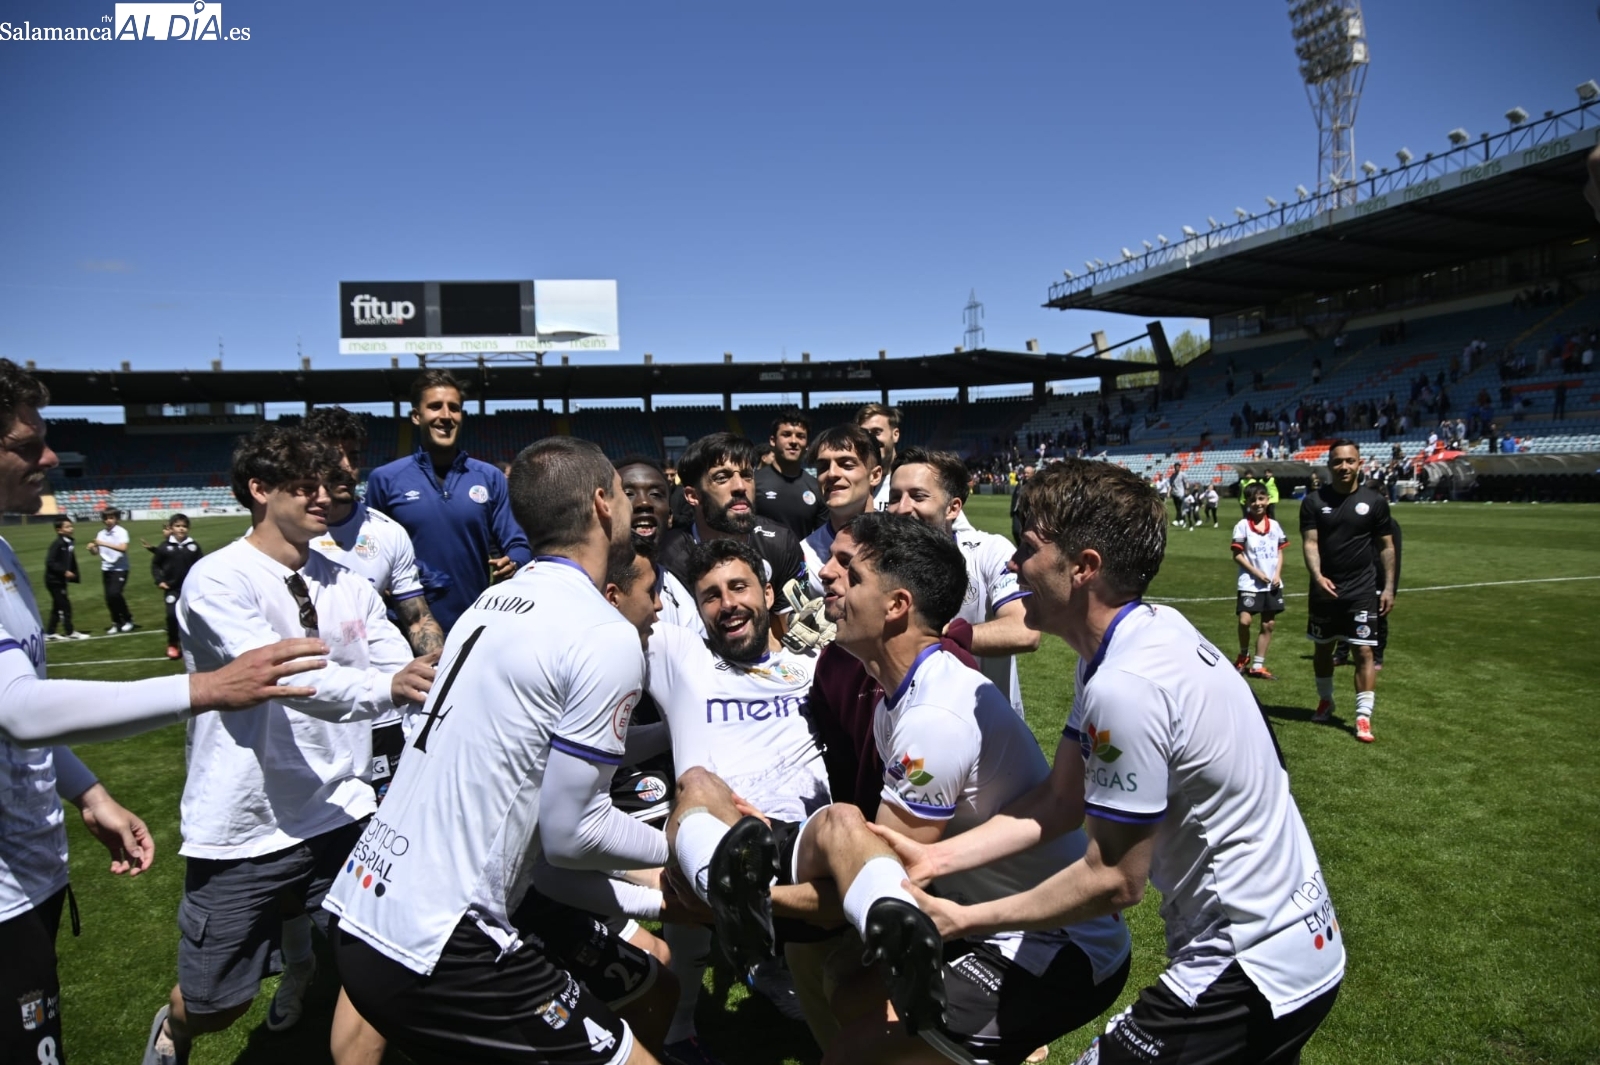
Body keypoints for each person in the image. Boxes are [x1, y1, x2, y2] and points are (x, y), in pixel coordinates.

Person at [878, 459, 1345, 1065]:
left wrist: (964, 918)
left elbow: (1114, 881)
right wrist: (932, 856)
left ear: (1085, 568)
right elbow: (1060, 801)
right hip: (1299, 943)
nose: (1015, 567)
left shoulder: (1125, 684)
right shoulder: (1139, 637)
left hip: (1248, 964)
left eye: (1029, 549)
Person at [0, 360, 336, 1065]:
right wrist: (207, 687)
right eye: (28, 444)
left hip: (31, 868)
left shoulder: (3, 553)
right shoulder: (217, 578)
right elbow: (18, 709)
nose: (51, 457)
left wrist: (86, 790)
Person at [327, 436, 665, 1065]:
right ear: (601, 504)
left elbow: (540, 839)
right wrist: (682, 849)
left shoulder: (488, 604)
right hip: (447, 940)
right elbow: (574, 834)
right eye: (620, 491)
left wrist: (657, 892)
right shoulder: (600, 632)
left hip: (365, 904)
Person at [144, 424, 437, 1065]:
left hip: (345, 809)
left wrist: (433, 679)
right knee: (217, 1002)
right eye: (302, 488)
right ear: (259, 490)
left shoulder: (348, 580)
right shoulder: (216, 579)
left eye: (325, 486)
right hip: (248, 822)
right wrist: (390, 685)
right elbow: (290, 680)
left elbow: (397, 657)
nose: (322, 499)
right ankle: (176, 1027)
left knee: (387, 961)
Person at [811, 513, 1131, 1065]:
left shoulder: (933, 714)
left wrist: (749, 898)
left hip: (1059, 944)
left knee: (855, 1053)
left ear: (897, 606)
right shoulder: (899, 690)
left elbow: (886, 875)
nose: (825, 575)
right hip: (983, 914)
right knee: (849, 982)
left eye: (849, 570)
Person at [296, 406, 449, 1061]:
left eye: (347, 455)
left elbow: (415, 616)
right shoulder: (287, 532)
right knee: (302, 865)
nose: (337, 468)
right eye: (324, 454)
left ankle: (371, 990)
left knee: (377, 863)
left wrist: (441, 679)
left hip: (378, 726)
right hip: (304, 729)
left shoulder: (385, 534)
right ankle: (301, 963)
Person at [364, 369, 531, 633]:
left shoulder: (490, 478)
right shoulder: (384, 480)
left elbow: (518, 543)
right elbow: (371, 552)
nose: (445, 416)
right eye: (435, 407)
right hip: (407, 628)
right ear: (417, 416)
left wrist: (514, 561)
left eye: (454, 408)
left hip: (474, 623)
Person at [888, 447, 1038, 717]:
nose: (902, 508)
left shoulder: (987, 552)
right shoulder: (878, 566)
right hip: (910, 729)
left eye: (918, 496)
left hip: (989, 732)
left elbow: (1024, 630)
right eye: (895, 497)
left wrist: (936, 635)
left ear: (953, 508)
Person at [1302, 440, 1395, 744]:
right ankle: (1326, 700)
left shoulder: (1375, 502)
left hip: (1362, 590)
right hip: (1324, 590)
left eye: (1350, 461)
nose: (1344, 467)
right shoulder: (1314, 502)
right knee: (1323, 649)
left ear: (1359, 463)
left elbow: (1386, 546)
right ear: (1329, 465)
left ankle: (1363, 717)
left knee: (1364, 650)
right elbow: (1311, 543)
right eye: (1338, 461)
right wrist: (1317, 576)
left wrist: (1389, 587)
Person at [656, 433, 806, 612]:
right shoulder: (668, 558)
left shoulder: (781, 543)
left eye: (747, 475)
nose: (740, 486)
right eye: (721, 477)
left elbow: (787, 631)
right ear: (693, 496)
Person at [799, 424, 884, 594]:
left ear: (875, 476)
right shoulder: (803, 554)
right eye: (823, 467)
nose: (831, 474)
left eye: (846, 464)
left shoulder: (904, 542)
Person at [1231, 485, 1288, 679]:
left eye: (1261, 499)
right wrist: (1256, 573)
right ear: (1246, 503)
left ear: (1268, 500)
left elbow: (1280, 552)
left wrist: (1277, 574)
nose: (1257, 503)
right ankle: (1243, 654)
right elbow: (1237, 555)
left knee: (1268, 624)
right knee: (1244, 620)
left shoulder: (1275, 525)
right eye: (1253, 500)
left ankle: (1258, 665)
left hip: (1271, 583)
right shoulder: (1242, 526)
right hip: (1250, 582)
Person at [755, 409, 826, 539]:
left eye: (800, 436)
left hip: (801, 559)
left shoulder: (816, 487)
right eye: (786, 434)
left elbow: (822, 539)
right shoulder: (754, 483)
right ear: (772, 440)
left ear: (807, 445)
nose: (794, 441)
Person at [143, 513, 204, 660]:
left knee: (194, 616)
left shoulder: (193, 546)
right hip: (172, 589)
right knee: (172, 616)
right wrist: (159, 580)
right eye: (177, 526)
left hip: (191, 589)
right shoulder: (164, 547)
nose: (181, 529)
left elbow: (202, 565)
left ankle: (195, 644)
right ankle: (172, 644)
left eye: (184, 526)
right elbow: (156, 565)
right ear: (171, 528)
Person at [43, 517, 90, 641]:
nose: (71, 529)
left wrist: (74, 574)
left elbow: (70, 560)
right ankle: (70, 632)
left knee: (57, 606)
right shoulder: (58, 544)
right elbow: (50, 562)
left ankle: (50, 633)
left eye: (71, 526)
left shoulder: (69, 542)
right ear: (59, 530)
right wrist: (64, 571)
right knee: (65, 606)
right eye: (67, 527)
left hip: (60, 580)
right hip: (54, 581)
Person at [90, 507, 134, 633]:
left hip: (120, 568)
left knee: (115, 593)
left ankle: (128, 619)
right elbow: (96, 552)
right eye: (106, 518)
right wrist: (92, 548)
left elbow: (123, 548)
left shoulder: (121, 532)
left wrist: (103, 544)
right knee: (109, 597)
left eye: (111, 518)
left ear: (116, 519)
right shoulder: (101, 534)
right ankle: (116, 622)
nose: (108, 521)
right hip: (106, 568)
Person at [855, 403, 901, 513]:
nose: (871, 439)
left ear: (895, 435)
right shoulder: (855, 483)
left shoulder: (912, 480)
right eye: (864, 433)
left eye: (877, 432)